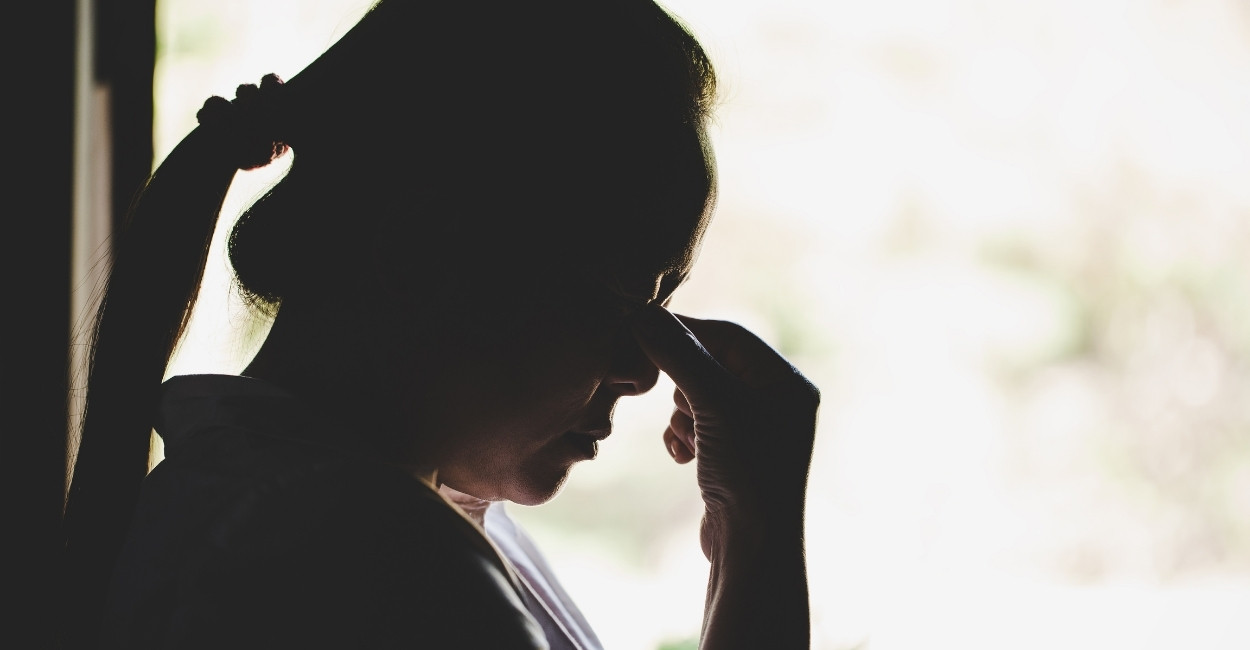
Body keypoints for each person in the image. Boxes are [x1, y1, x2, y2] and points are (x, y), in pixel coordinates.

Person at [60, 0, 820, 648]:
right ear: (421, 256)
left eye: (662, 307)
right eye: (624, 298)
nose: (648, 368)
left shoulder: (330, 507)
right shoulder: (370, 558)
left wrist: (747, 524)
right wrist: (757, 532)